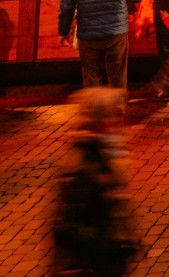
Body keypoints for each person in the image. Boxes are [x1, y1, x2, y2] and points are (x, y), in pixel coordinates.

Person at [53, 88, 141, 276]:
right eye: (113, 117)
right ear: (99, 122)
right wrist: (112, 244)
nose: (119, 125)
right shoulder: (81, 165)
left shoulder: (103, 154)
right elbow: (68, 229)